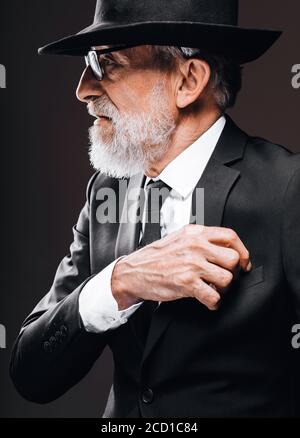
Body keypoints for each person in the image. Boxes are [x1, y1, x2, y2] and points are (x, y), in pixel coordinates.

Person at [10, 0, 300, 417]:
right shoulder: (106, 193)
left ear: (188, 80)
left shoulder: (287, 188)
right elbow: (30, 373)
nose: (83, 90)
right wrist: (118, 282)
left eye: (106, 63)